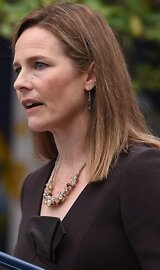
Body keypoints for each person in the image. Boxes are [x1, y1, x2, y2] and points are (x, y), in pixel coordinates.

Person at [11, 2, 160, 269]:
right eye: (17, 68)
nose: (20, 82)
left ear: (90, 75)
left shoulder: (142, 172)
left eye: (40, 65)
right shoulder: (33, 186)